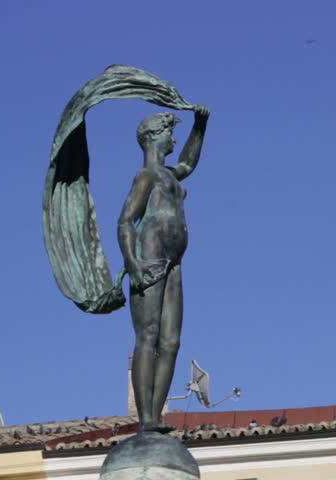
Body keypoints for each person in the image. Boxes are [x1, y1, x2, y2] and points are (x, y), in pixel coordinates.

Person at [117, 105, 210, 432]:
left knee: (171, 342)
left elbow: (188, 162)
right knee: (149, 336)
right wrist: (133, 263)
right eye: (170, 132)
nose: (174, 138)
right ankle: (145, 420)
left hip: (174, 262)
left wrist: (200, 126)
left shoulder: (170, 174)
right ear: (154, 137)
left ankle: (156, 417)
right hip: (150, 256)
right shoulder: (146, 177)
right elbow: (126, 220)